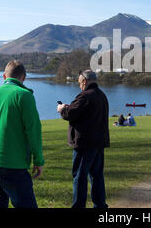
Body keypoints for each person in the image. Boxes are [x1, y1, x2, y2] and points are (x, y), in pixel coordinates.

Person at [0, 60, 44, 208]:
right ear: (23, 77)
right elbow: (34, 131)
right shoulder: (24, 95)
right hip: (13, 166)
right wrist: (38, 160)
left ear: (4, 76)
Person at [57, 70, 110, 208]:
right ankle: (100, 205)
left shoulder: (85, 96)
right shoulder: (101, 95)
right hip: (99, 143)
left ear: (85, 81)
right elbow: (83, 113)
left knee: (79, 177)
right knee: (97, 176)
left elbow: (70, 114)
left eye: (80, 83)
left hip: (85, 144)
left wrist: (62, 109)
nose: (79, 85)